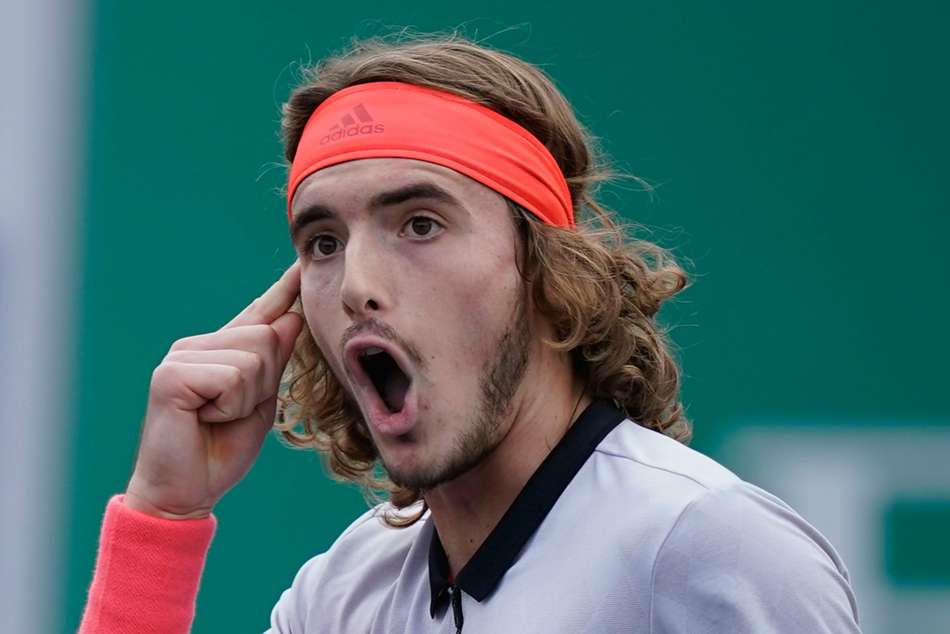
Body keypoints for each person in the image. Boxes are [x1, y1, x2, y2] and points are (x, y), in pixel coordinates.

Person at [78, 34, 861, 633]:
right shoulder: (342, 597)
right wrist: (163, 518)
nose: (355, 285)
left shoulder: (703, 546)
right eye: (323, 242)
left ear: (547, 267)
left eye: (420, 224)